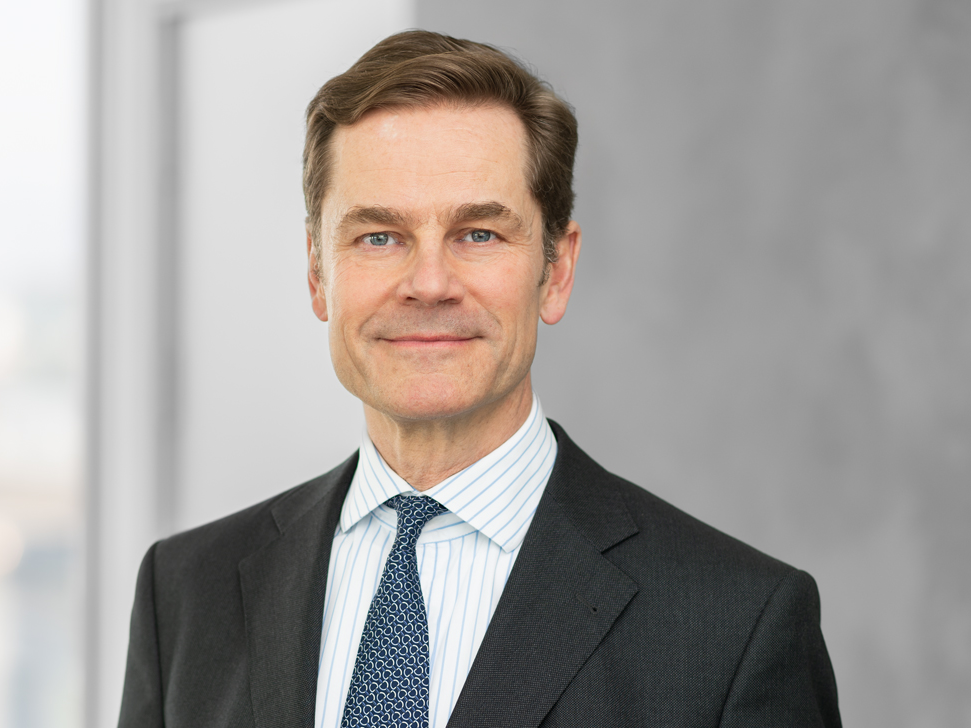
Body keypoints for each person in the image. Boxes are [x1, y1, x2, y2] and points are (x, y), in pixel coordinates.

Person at [118, 30, 841, 728]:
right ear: (317, 273)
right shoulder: (184, 596)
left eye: (479, 234)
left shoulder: (734, 626)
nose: (429, 283)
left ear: (556, 271)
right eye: (379, 236)